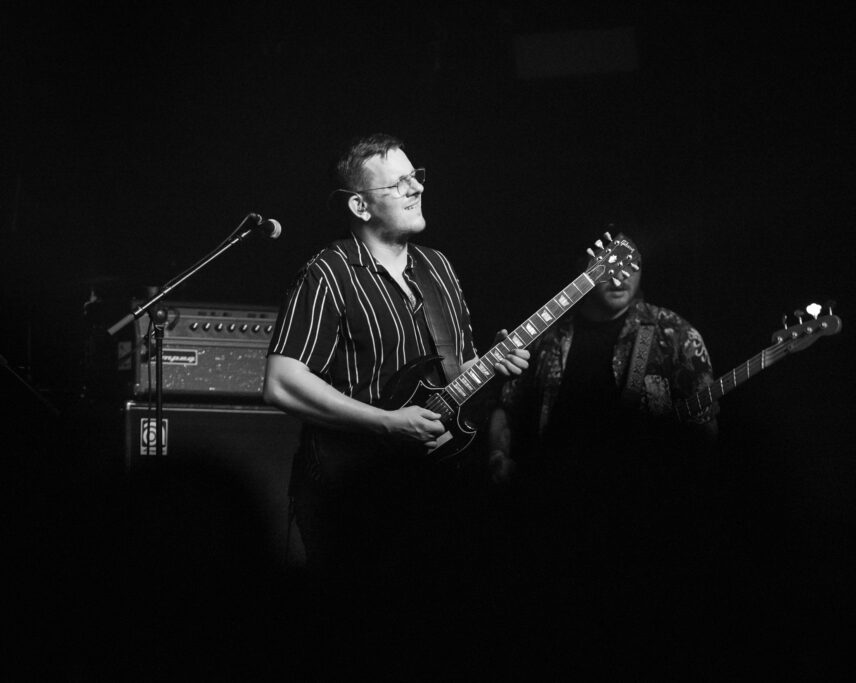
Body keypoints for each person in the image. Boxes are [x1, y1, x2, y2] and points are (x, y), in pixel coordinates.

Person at [262, 133, 529, 672]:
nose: (415, 189)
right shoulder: (329, 273)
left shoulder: (440, 270)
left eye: (417, 177)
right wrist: (385, 423)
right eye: (398, 182)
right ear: (360, 204)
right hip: (352, 494)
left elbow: (454, 376)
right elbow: (282, 380)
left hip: (435, 491)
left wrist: (493, 367)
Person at [486, 230, 719, 673]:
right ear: (587, 269)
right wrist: (498, 458)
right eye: (611, 265)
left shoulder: (672, 333)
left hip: (641, 522)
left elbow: (706, 427)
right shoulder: (547, 334)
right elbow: (504, 407)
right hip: (547, 517)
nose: (620, 276)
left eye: (631, 264)